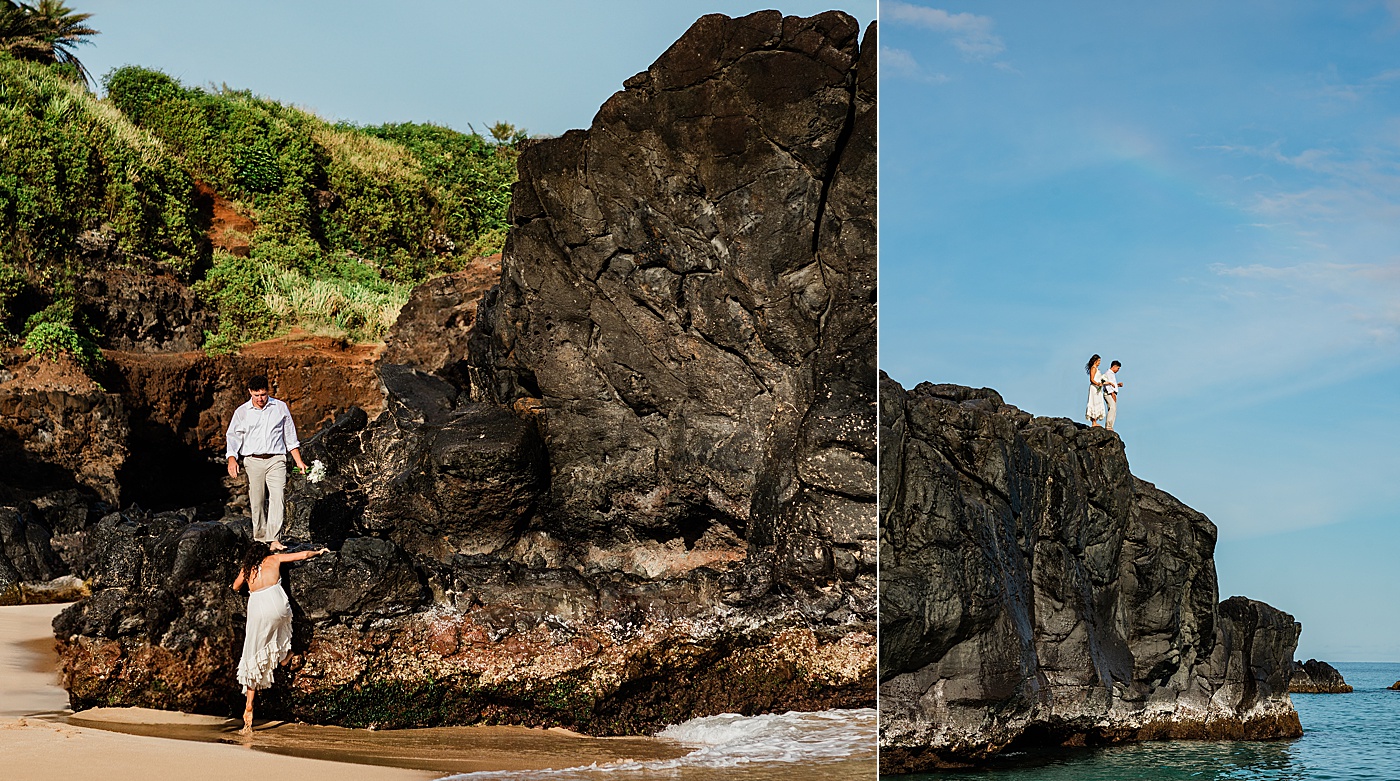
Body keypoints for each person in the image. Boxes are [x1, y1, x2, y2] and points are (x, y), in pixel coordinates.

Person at [231, 540, 330, 734]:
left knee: (253, 655)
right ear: (266, 552)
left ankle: (249, 705)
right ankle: (285, 657)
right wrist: (319, 552)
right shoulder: (274, 559)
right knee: (280, 630)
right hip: (277, 604)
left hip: (258, 607)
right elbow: (301, 555)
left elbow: (235, 587)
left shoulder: (247, 568)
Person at [226, 375, 308, 551]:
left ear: (267, 391)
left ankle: (274, 539)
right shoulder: (242, 412)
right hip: (253, 460)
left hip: (276, 459)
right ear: (250, 392)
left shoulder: (280, 408)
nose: (260, 399)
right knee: (257, 501)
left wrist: (299, 462)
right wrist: (232, 458)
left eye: (263, 394)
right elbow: (233, 437)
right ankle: (261, 539)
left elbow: (290, 438)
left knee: (278, 497)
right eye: (256, 395)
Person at [1085, 354, 1107, 427]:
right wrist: (1098, 384)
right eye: (1098, 361)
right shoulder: (1093, 368)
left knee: (1098, 401)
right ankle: (1093, 422)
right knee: (1094, 402)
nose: (1099, 362)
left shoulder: (1097, 369)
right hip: (1094, 388)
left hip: (1097, 388)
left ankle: (1095, 420)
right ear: (1095, 361)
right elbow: (1091, 379)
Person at [1104, 360, 1123, 431]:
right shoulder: (1108, 373)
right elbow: (1107, 384)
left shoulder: (1111, 374)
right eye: (1118, 368)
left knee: (1114, 409)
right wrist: (1112, 393)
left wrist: (1117, 385)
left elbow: (1111, 384)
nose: (1118, 370)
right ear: (1114, 366)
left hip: (1112, 392)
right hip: (1109, 393)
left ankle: (1110, 425)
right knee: (1112, 408)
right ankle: (1108, 426)